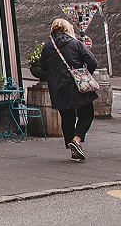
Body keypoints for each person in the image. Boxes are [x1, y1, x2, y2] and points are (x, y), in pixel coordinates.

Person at [30, 17, 99, 162]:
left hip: (58, 88)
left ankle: (72, 149)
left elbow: (43, 67)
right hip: (76, 85)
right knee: (86, 114)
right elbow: (92, 62)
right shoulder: (75, 44)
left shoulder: (48, 46)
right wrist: (85, 74)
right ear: (68, 29)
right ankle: (77, 140)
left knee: (67, 117)